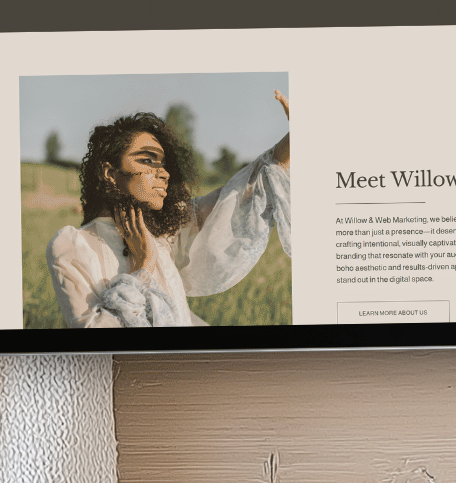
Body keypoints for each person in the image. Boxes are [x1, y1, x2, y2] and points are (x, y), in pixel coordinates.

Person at [45, 91, 292, 328]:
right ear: (110, 174)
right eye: (147, 160)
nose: (163, 173)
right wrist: (143, 267)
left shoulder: (167, 232)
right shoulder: (73, 245)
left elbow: (243, 191)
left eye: (162, 164)